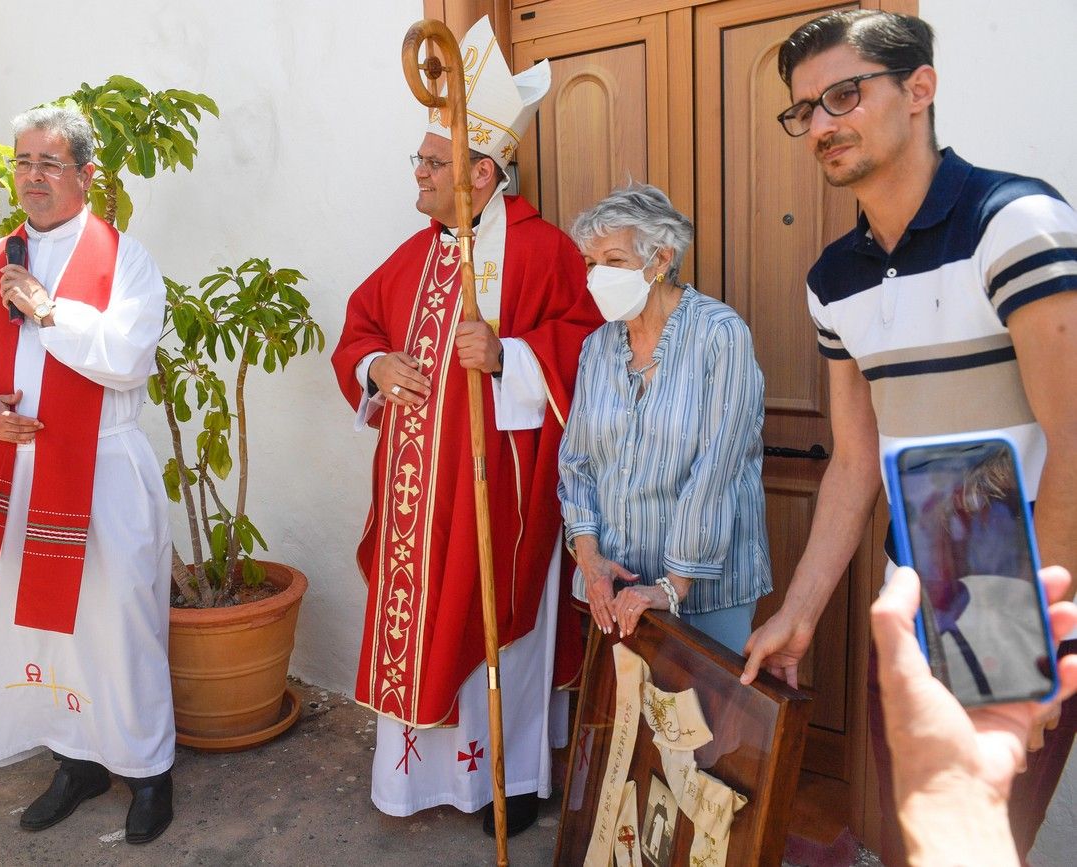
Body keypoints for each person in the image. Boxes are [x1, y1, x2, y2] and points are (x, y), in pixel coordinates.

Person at [738, 10, 1077, 862]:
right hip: (911, 599)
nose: (820, 124)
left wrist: (1023, 646)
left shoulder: (1014, 223)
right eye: (804, 108)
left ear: (920, 88)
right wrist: (801, 612)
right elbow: (854, 461)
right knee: (908, 839)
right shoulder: (832, 280)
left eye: (843, 95)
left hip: (1015, 602)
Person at [331, 16, 601, 836]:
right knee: (422, 620)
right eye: (421, 158)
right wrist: (376, 368)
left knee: (500, 628)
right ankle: (416, 782)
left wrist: (512, 356)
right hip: (421, 498)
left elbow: (589, 346)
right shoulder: (417, 254)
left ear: (481, 173)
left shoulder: (544, 249)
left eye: (433, 161)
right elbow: (359, 328)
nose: (418, 171)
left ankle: (510, 784)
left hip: (501, 496)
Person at [0, 106, 175, 844]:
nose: (32, 178)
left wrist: (47, 311)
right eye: (22, 162)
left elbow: (130, 353)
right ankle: (77, 760)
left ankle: (148, 767)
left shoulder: (124, 258)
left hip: (101, 470)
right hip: (20, 471)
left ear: (85, 175)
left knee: (118, 624)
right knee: (49, 633)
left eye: (50, 164)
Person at [558, 184, 771, 652]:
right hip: (615, 591)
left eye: (613, 261)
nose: (596, 277)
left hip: (708, 593)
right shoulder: (598, 346)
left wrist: (672, 585)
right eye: (591, 264)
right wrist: (590, 560)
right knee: (632, 724)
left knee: (706, 724)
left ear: (659, 260)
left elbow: (717, 469)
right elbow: (577, 464)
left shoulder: (720, 335)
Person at [872, 564, 1077, 866]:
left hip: (1011, 642)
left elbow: (1066, 515)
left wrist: (1023, 661)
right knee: (907, 835)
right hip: (930, 622)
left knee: (996, 824)